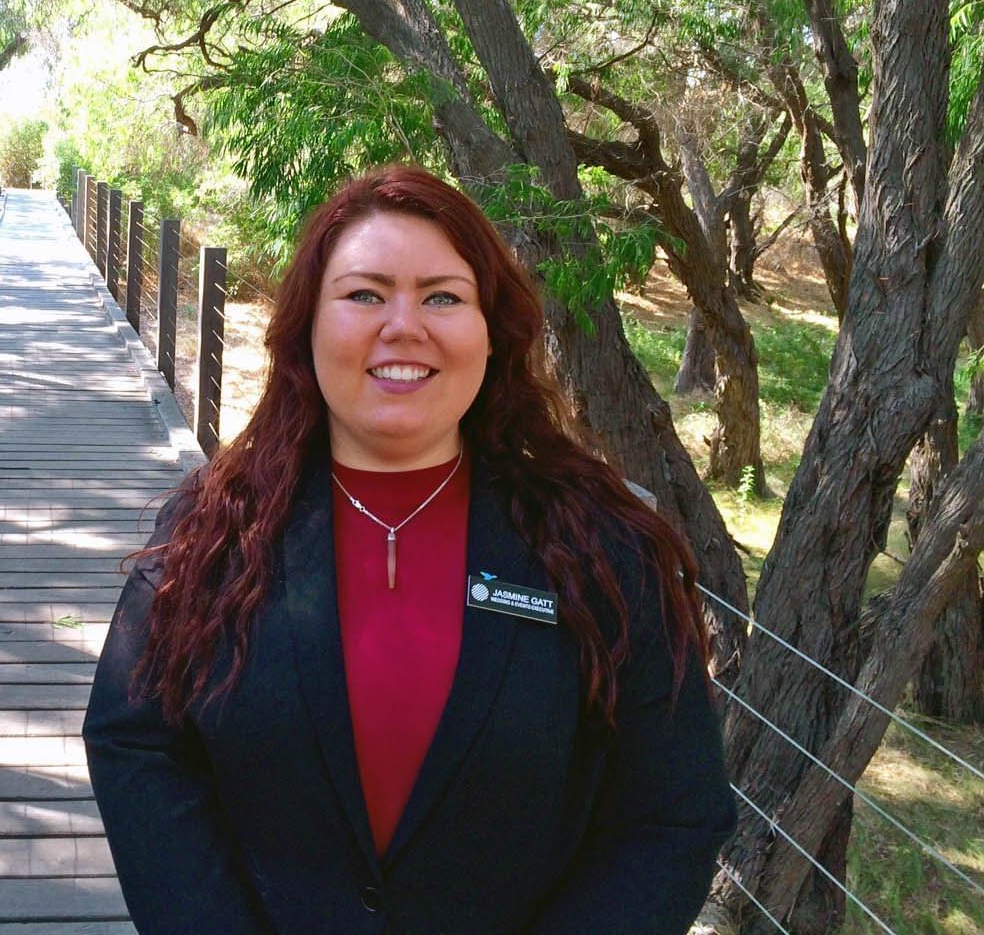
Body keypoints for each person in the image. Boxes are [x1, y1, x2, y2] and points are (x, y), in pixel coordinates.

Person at [83, 165, 735, 933]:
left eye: (443, 297)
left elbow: (673, 815)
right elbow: (137, 742)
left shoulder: (603, 549)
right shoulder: (212, 532)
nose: (404, 325)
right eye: (365, 294)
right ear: (307, 328)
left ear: (492, 333)